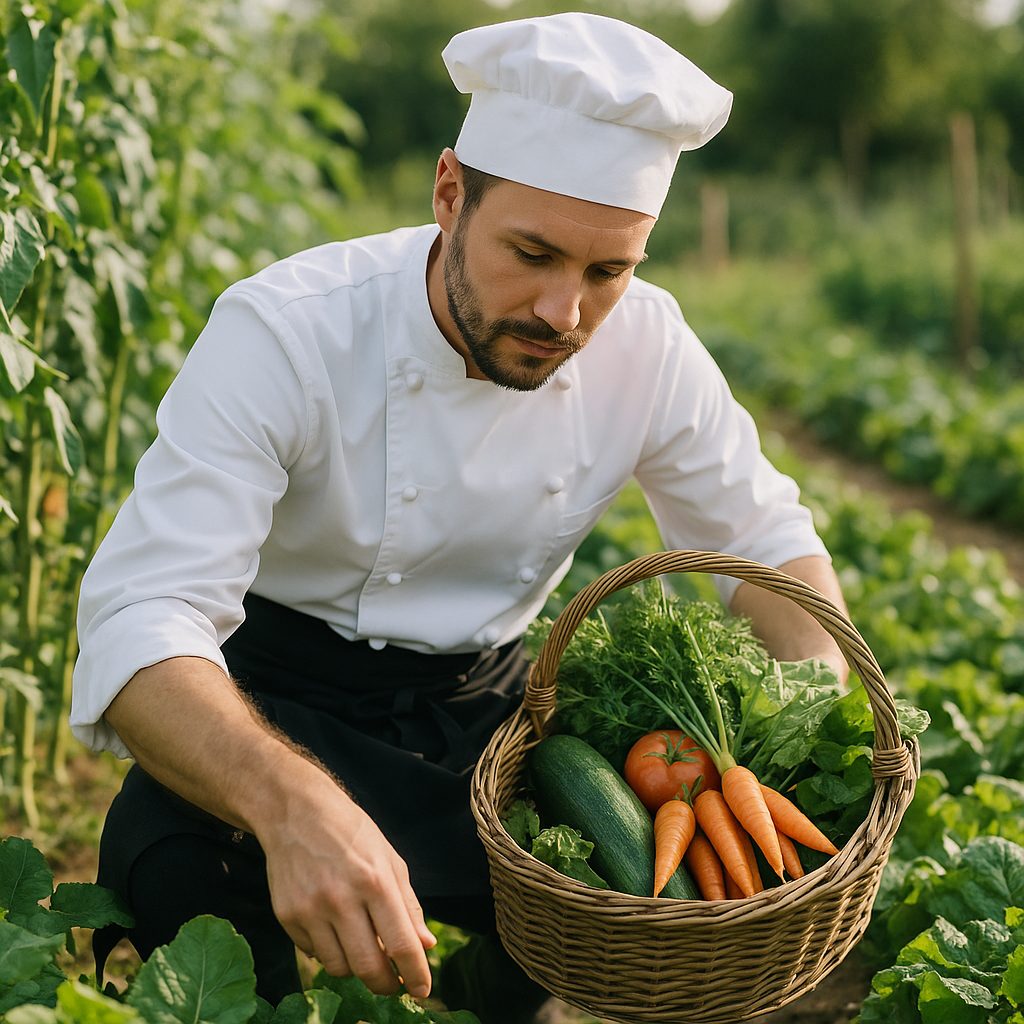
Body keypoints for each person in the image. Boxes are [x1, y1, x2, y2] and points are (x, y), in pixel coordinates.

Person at [71, 12, 850, 1023]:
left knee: (592, 897)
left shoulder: (650, 347)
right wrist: (292, 806)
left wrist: (819, 737)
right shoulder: (289, 330)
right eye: (531, 252)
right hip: (264, 695)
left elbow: (766, 553)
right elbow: (143, 615)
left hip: (482, 712)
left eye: (608, 271)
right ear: (448, 192)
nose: (563, 314)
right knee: (177, 880)